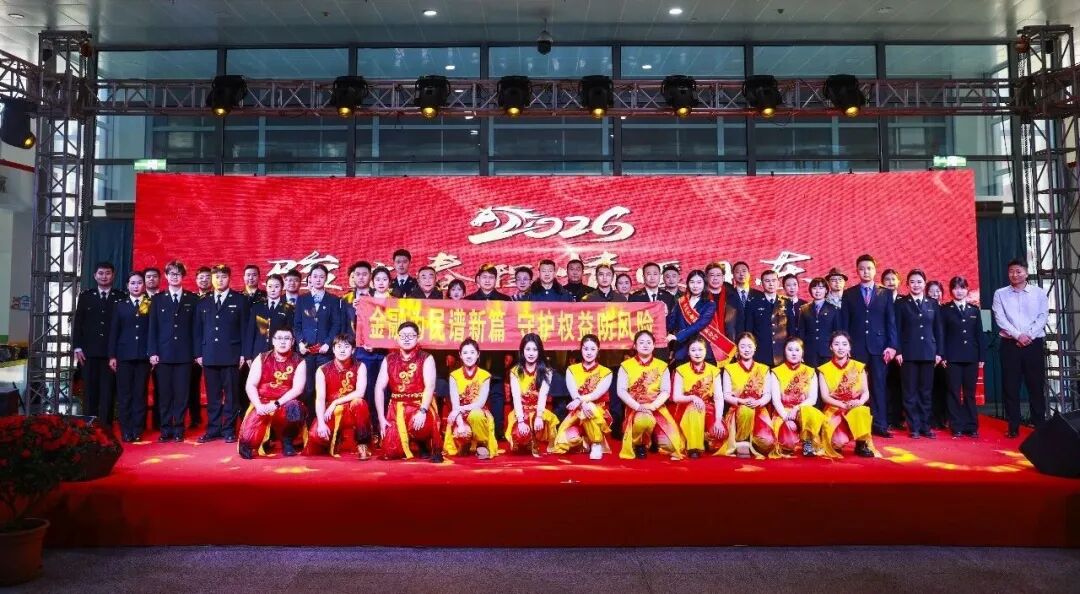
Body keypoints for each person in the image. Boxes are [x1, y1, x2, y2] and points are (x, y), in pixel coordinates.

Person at [991, 258, 1049, 438]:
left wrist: (1028, 335)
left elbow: (1042, 316)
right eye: (1011, 271)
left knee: (1036, 386)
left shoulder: (1039, 293)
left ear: (1026, 272)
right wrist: (1018, 335)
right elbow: (1000, 318)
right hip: (1010, 345)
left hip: (1033, 344)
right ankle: (1013, 426)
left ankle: (1039, 425)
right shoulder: (1000, 294)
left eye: (1018, 271)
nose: (1014, 275)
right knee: (1010, 386)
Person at [841, 255, 898, 438]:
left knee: (879, 386)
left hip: (879, 348)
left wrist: (892, 346)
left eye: (869, 268)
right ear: (857, 271)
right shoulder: (849, 294)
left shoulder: (885, 293)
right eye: (862, 269)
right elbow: (845, 323)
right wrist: (845, 347)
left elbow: (891, 322)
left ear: (875, 270)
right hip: (856, 348)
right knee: (856, 388)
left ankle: (880, 425)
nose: (866, 272)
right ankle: (858, 425)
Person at [194, 264, 250, 443]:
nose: (220, 280)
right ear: (212, 279)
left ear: (229, 279)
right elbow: (198, 331)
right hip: (209, 354)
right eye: (216, 277)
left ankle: (229, 430)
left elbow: (246, 330)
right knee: (213, 396)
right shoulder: (203, 302)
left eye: (223, 277)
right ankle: (213, 429)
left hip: (232, 355)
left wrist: (244, 354)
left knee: (231, 396)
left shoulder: (240, 300)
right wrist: (198, 353)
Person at [375, 321, 442, 462]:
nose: (406, 339)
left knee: (420, 427)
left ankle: (422, 442)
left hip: (419, 406)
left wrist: (423, 411)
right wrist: (381, 418)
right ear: (397, 337)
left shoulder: (426, 358)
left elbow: (430, 386)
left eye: (411, 336)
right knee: (391, 451)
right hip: (396, 409)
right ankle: (407, 441)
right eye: (403, 336)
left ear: (418, 337)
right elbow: (379, 387)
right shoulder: (389, 359)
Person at [237, 327, 307, 459]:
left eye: (287, 338)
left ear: (292, 342)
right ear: (273, 341)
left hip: (284, 403)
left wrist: (276, 404)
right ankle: (267, 439)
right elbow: (250, 385)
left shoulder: (299, 361)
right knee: (246, 447)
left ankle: (287, 440)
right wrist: (258, 405)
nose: (283, 342)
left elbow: (298, 389)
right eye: (279, 338)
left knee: (294, 407)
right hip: (262, 404)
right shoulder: (262, 358)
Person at [149, 260, 198, 442]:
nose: (174, 277)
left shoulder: (192, 299)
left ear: (183, 276)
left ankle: (178, 428)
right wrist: (152, 352)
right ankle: (165, 428)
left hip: (185, 355)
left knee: (181, 394)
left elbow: (195, 329)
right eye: (171, 273)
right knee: (165, 394)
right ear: (166, 276)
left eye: (178, 274)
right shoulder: (157, 299)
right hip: (163, 354)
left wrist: (196, 353)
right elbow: (152, 328)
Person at [616, 330, 685, 460]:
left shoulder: (662, 366)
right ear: (635, 346)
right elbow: (621, 391)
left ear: (654, 346)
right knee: (643, 421)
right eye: (641, 342)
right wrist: (638, 406)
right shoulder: (625, 366)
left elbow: (665, 391)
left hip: (656, 407)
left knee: (672, 446)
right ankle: (640, 444)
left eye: (649, 342)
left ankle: (653, 436)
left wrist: (653, 406)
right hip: (636, 407)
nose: (645, 345)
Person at [303, 334, 372, 459]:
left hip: (351, 410)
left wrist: (335, 402)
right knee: (315, 437)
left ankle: (362, 444)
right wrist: (321, 423)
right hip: (332, 412)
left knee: (359, 402)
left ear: (353, 350)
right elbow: (320, 399)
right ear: (333, 349)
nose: (342, 350)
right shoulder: (322, 369)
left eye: (346, 346)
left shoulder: (360, 366)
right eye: (339, 346)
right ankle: (336, 438)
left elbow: (360, 393)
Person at [894, 269, 944, 439]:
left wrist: (939, 352)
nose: (916, 285)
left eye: (919, 282)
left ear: (924, 284)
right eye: (912, 282)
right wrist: (898, 351)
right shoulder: (901, 303)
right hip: (908, 354)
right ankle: (914, 427)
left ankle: (925, 426)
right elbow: (896, 329)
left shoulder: (933, 303)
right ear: (907, 284)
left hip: (929, 353)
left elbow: (938, 330)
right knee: (910, 392)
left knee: (926, 392)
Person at [73, 261, 124, 428]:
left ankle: (106, 428)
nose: (104, 276)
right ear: (94, 276)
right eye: (101, 273)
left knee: (108, 392)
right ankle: (89, 428)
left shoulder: (120, 297)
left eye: (108, 273)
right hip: (89, 353)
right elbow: (78, 323)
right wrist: (77, 347)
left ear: (113, 275)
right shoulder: (86, 296)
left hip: (111, 354)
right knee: (90, 391)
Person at [550, 334, 614, 460]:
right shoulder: (571, 370)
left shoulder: (606, 372)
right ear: (581, 349)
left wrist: (581, 400)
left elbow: (596, 394)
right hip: (577, 412)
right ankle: (585, 441)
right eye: (585, 349)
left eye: (592, 349)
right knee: (563, 442)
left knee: (589, 407)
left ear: (598, 350)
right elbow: (574, 393)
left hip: (597, 413)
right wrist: (581, 403)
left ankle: (596, 443)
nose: (589, 352)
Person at [466, 264, 511, 437]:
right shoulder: (468, 301)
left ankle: (497, 431)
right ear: (478, 279)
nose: (487, 280)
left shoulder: (505, 301)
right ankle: (474, 431)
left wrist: (510, 353)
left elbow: (511, 329)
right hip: (474, 357)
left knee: (497, 394)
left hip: (497, 355)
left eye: (491, 277)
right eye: (484, 277)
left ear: (496, 280)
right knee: (473, 392)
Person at [817, 331, 877, 458]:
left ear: (849, 347)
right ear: (831, 347)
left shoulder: (859, 367)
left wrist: (859, 402)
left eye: (844, 344)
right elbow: (825, 397)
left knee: (862, 411)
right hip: (834, 409)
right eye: (836, 344)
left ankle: (861, 443)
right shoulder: (824, 369)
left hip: (854, 406)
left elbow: (865, 392)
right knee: (837, 443)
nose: (841, 348)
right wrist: (842, 405)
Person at [108, 271, 152, 443]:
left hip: (143, 356)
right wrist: (112, 355)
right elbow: (114, 332)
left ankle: (137, 429)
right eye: (133, 283)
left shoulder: (150, 303)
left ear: (144, 285)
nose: (136, 286)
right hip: (124, 356)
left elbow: (153, 331)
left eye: (139, 283)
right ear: (127, 285)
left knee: (140, 394)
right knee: (124, 395)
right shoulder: (120, 305)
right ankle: (126, 430)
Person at [293, 264, 342, 419]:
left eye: (321, 276)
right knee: (307, 388)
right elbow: (297, 325)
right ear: (310, 278)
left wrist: (328, 343)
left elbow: (336, 324)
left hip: (324, 351)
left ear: (326, 279)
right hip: (306, 351)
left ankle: (325, 419)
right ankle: (307, 422)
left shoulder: (333, 300)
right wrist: (300, 342)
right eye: (315, 276)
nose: (318, 279)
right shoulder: (302, 299)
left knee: (324, 387)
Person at [941, 276, 986, 438]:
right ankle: (956, 426)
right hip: (952, 357)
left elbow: (980, 334)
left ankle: (971, 426)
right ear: (951, 290)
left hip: (971, 357)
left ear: (967, 290)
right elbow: (941, 335)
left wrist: (982, 357)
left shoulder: (974, 310)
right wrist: (943, 355)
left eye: (962, 288)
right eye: (955, 288)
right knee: (953, 392)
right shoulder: (945, 310)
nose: (959, 291)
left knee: (969, 393)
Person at [767, 337, 824, 457]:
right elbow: (776, 400)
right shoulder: (776, 372)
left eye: (797, 350)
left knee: (810, 412)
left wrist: (796, 408)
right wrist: (786, 417)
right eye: (790, 350)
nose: (794, 353)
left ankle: (808, 441)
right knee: (789, 443)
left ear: (802, 352)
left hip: (802, 411)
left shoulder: (811, 372)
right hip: (783, 413)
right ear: (784, 351)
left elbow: (812, 399)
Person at [721, 333, 775, 458]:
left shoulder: (764, 369)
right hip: (738, 411)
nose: (746, 350)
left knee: (768, 443)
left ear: (755, 347)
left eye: (750, 346)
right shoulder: (729, 369)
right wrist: (741, 401)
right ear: (737, 348)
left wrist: (758, 402)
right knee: (746, 410)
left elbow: (767, 394)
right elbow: (726, 395)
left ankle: (752, 442)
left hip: (759, 410)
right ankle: (741, 441)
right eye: (743, 346)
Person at [443, 338, 498, 460]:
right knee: (461, 432)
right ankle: (465, 443)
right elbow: (455, 404)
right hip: (460, 415)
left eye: (472, 352)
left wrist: (459, 409)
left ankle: (481, 443)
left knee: (475, 414)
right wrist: (460, 424)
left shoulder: (485, 375)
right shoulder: (454, 376)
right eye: (465, 353)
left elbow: (480, 403)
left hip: (478, 414)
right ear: (460, 355)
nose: (469, 356)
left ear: (478, 354)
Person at [505, 333, 559, 456]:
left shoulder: (547, 371)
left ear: (540, 351)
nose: (531, 353)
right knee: (520, 434)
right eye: (528, 349)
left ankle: (536, 439)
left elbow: (543, 395)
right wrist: (520, 421)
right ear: (522, 351)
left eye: (535, 350)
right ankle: (527, 441)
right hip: (522, 411)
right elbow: (516, 397)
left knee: (540, 423)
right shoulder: (515, 371)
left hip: (539, 410)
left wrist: (539, 416)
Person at [670, 337, 725, 458]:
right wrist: (692, 398)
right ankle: (694, 448)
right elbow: (676, 397)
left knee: (720, 434)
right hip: (686, 408)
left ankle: (703, 437)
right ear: (688, 353)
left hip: (708, 408)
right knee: (695, 409)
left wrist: (718, 420)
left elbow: (718, 398)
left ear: (705, 351)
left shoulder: (714, 370)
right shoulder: (681, 370)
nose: (697, 353)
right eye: (693, 350)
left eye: (700, 350)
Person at [665, 269, 719, 365]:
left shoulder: (710, 304)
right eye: (692, 282)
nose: (695, 286)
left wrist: (677, 336)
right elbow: (671, 325)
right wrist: (665, 315)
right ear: (687, 284)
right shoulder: (681, 301)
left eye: (699, 282)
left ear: (704, 284)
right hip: (682, 350)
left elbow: (699, 325)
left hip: (701, 350)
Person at [743, 270, 793, 367]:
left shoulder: (786, 302)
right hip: (761, 354)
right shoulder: (753, 302)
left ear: (778, 282)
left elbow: (791, 330)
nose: (771, 284)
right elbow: (748, 330)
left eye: (774, 280)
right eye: (767, 281)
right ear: (762, 283)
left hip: (782, 354)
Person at [245, 274, 294, 362]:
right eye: (270, 286)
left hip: (279, 353)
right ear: (266, 287)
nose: (273, 290)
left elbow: (290, 333)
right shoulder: (257, 306)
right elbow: (250, 332)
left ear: (282, 288)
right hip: (258, 352)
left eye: (276, 286)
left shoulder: (288, 308)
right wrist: (248, 356)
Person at [188, 266, 213, 428]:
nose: (204, 280)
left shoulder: (217, 297)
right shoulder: (190, 298)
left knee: (215, 386)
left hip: (213, 347)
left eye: (207, 277)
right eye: (201, 277)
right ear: (196, 280)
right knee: (192, 384)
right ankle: (195, 417)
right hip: (194, 349)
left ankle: (216, 419)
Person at [881, 268, 905, 431]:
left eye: (893, 279)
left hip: (901, 350)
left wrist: (899, 349)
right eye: (887, 279)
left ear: (899, 281)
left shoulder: (904, 301)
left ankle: (898, 418)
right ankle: (887, 418)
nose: (890, 282)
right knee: (885, 384)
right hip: (884, 348)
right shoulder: (879, 299)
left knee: (899, 384)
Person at [797, 277, 841, 368]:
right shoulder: (804, 309)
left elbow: (837, 333)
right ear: (810, 290)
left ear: (826, 290)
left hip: (827, 352)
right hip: (809, 352)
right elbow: (801, 333)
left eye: (821, 288)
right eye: (814, 288)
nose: (817, 291)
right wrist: (801, 351)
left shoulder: (834, 309)